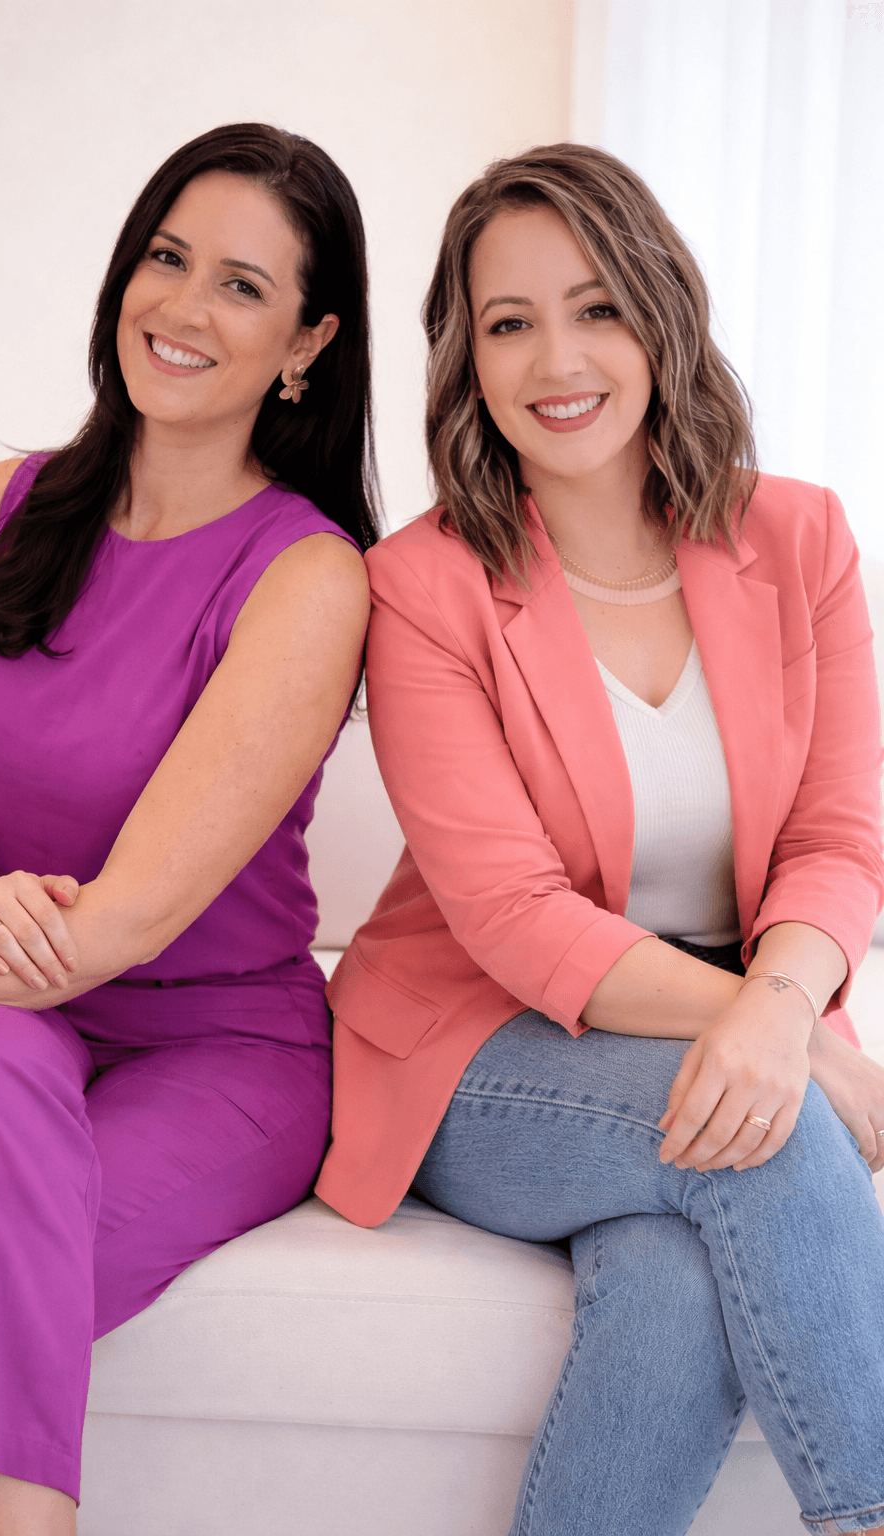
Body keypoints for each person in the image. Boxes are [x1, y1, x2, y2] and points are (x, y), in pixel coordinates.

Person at [315, 143, 884, 1536]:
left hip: (714, 1010)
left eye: (595, 307)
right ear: (467, 358)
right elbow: (511, 914)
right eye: (508, 323)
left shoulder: (797, 537)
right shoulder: (426, 583)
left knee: (675, 1285)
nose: (555, 358)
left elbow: (840, 835)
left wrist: (784, 999)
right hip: (475, 1042)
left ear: (660, 312)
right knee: (775, 1133)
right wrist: (782, 1032)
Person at [0, 122, 376, 1534]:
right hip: (4, 1003)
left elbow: (132, 917)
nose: (184, 309)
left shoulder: (311, 576)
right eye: (167, 259)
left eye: (243, 286)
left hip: (217, 1044)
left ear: (307, 342)